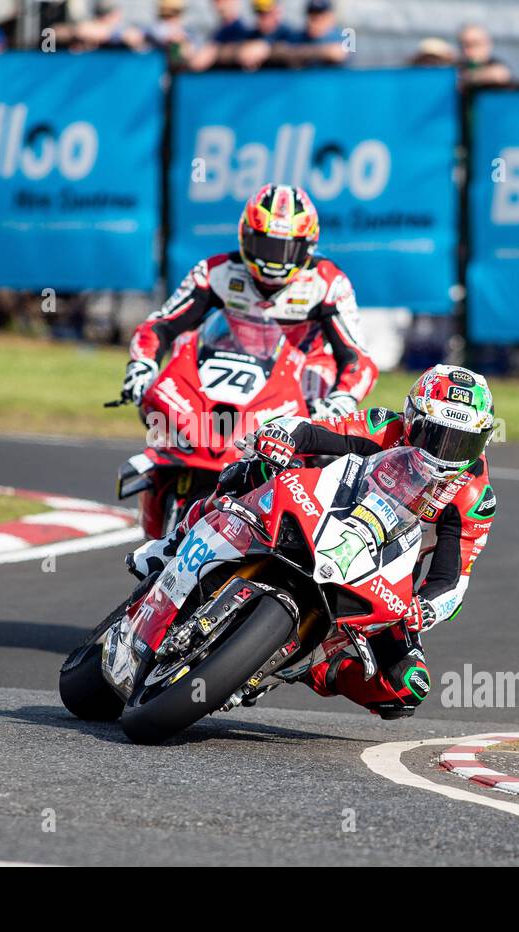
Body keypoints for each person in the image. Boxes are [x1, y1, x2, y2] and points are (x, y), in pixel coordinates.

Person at [128, 364, 498, 719]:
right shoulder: (384, 427)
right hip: (323, 511)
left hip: (382, 568)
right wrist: (282, 438)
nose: (445, 452)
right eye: (438, 436)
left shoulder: (474, 498)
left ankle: (320, 665)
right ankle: (174, 541)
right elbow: (310, 429)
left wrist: (426, 608)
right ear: (412, 419)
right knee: (252, 468)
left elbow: (453, 579)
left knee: (407, 685)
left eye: (463, 442)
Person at [120, 182, 376, 419]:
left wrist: (344, 397)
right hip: (232, 374)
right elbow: (161, 325)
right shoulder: (215, 272)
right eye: (266, 246)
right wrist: (143, 364)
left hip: (303, 381)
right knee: (167, 426)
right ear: (245, 236)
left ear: (308, 246)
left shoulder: (329, 282)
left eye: (287, 249)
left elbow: (358, 358)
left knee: (321, 441)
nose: (275, 261)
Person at [457, 23, 510, 88]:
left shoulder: (495, 64)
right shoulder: (457, 66)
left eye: (476, 43)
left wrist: (473, 77)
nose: (471, 50)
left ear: (488, 44)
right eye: (465, 45)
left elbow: (500, 74)